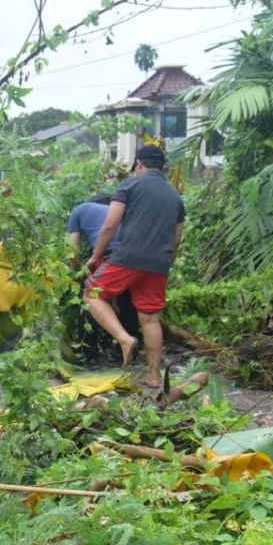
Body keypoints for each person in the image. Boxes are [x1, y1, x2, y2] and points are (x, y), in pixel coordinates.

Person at [84, 145, 185, 388]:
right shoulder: (175, 197)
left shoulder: (129, 185)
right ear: (162, 167)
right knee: (150, 318)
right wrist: (164, 264)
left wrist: (96, 256)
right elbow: (177, 239)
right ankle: (153, 375)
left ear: (139, 164)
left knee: (92, 293)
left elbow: (109, 226)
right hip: (158, 263)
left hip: (128, 258)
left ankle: (124, 339)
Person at [67, 194, 139, 367]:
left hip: (111, 256)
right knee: (128, 302)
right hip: (136, 257)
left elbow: (72, 249)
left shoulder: (79, 211)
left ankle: (89, 356)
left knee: (90, 298)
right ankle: (127, 355)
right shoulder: (119, 211)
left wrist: (77, 271)